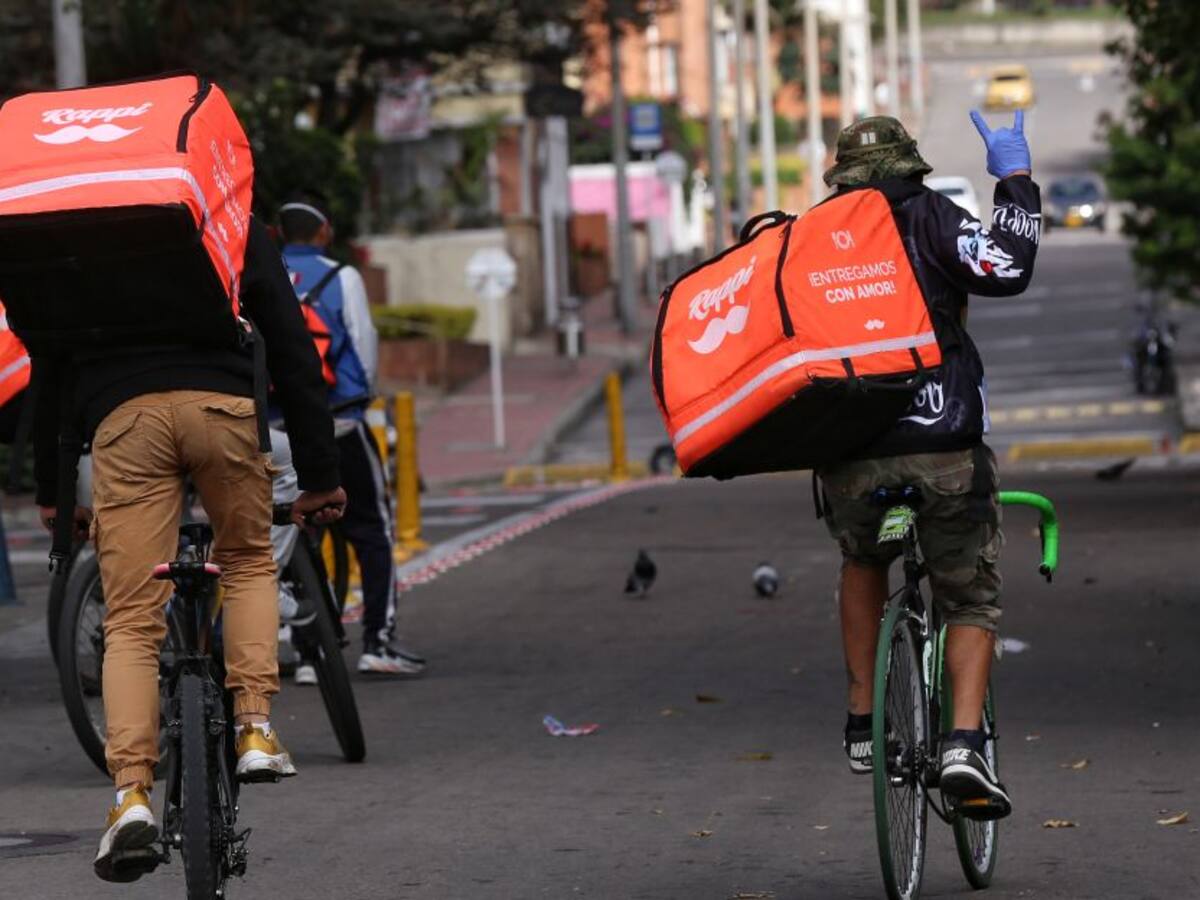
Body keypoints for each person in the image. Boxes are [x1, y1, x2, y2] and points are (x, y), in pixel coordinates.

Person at [31, 217, 347, 882]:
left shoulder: (80, 231)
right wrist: (319, 474)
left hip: (125, 419)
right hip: (224, 409)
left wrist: (55, 489)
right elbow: (290, 345)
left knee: (132, 620)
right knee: (247, 558)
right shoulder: (227, 216)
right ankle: (255, 728)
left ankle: (132, 797)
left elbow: (52, 361)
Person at [815, 111, 1039, 818]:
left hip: (850, 455)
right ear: (911, 169)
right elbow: (1007, 266)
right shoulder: (930, 216)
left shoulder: (812, 238)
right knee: (968, 597)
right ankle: (963, 746)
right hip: (944, 446)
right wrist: (1015, 181)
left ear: (841, 178)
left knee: (862, 558)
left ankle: (862, 721)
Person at [278, 197, 426, 678]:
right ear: (323, 232)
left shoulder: (256, 274)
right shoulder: (340, 277)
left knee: (294, 535)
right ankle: (378, 643)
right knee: (371, 531)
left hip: (275, 430)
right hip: (336, 421)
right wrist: (361, 404)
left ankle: (307, 653)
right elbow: (362, 349)